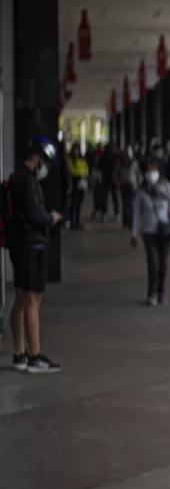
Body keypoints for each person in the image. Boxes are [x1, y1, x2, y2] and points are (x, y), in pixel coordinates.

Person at [8, 136, 63, 374]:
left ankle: (20, 353)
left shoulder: (15, 178)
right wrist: (51, 218)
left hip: (19, 245)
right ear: (35, 158)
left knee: (20, 300)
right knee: (33, 301)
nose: (45, 168)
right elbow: (35, 214)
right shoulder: (28, 182)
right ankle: (35, 356)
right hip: (32, 245)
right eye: (44, 161)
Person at [131, 159, 170, 306]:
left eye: (153, 170)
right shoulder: (141, 192)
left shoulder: (166, 187)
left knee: (163, 263)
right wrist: (133, 233)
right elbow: (135, 213)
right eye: (148, 170)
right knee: (153, 262)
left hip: (165, 230)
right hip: (148, 231)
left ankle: (161, 291)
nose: (151, 173)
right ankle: (151, 293)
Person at [66, 145, 90, 230]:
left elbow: (86, 169)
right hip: (75, 183)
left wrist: (83, 173)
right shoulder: (70, 161)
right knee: (74, 204)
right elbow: (71, 170)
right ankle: (72, 222)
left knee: (79, 204)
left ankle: (77, 221)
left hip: (81, 184)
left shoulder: (82, 160)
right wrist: (79, 173)